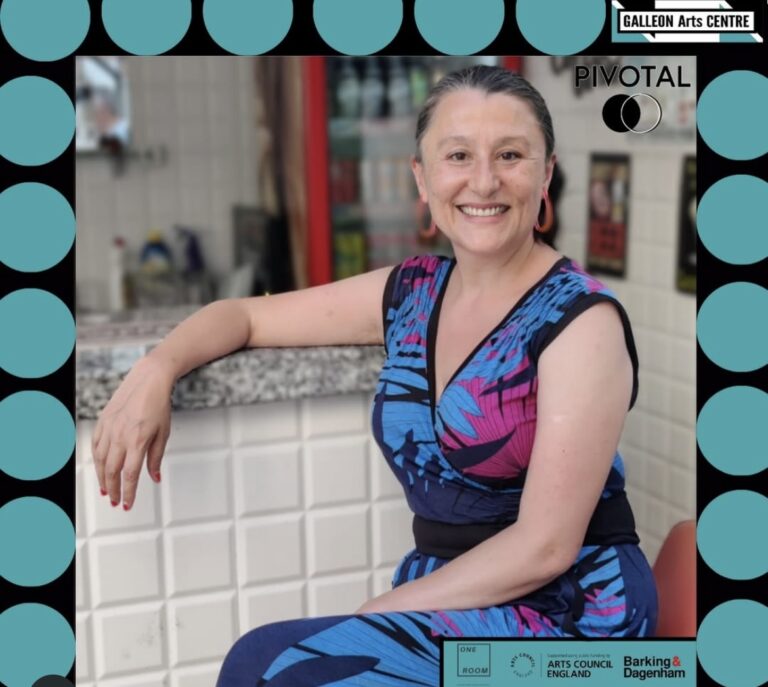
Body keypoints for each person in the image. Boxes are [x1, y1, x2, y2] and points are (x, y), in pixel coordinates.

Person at [91, 65, 658, 686]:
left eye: (510, 155)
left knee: (280, 669)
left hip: (573, 622)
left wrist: (376, 611)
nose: (484, 181)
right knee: (258, 658)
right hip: (453, 601)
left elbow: (545, 547)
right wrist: (158, 366)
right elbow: (244, 317)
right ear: (422, 176)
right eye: (458, 156)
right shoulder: (413, 292)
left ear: (545, 174)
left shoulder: (581, 319)